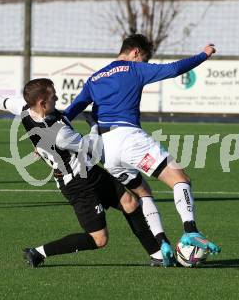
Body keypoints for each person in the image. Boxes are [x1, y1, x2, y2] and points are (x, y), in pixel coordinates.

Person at [0, 78, 171, 267]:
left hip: (89, 171)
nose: (57, 99)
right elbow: (92, 146)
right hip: (76, 184)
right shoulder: (59, 133)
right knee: (99, 240)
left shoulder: (26, 109)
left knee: (130, 203)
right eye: (53, 97)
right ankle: (38, 252)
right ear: (42, 103)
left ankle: (158, 255)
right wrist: (95, 125)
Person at [64, 34, 221, 257]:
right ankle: (191, 230)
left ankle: (162, 243)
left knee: (143, 193)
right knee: (180, 179)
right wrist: (203, 55)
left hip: (106, 152)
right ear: (136, 52)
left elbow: (71, 111)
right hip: (129, 139)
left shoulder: (95, 78)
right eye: (145, 59)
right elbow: (173, 69)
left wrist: (45, 137)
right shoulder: (134, 69)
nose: (146, 64)